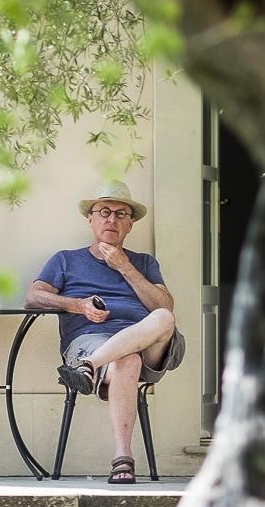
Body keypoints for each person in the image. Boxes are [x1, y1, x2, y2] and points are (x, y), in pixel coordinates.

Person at [23, 179, 184, 484]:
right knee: (128, 360)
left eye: (121, 214)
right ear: (91, 219)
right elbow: (33, 297)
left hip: (147, 345)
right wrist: (78, 306)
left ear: (130, 225)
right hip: (90, 340)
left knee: (163, 316)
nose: (112, 219)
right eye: (105, 212)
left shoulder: (144, 263)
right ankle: (123, 459)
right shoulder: (66, 260)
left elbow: (165, 306)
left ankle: (88, 368)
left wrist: (125, 267)